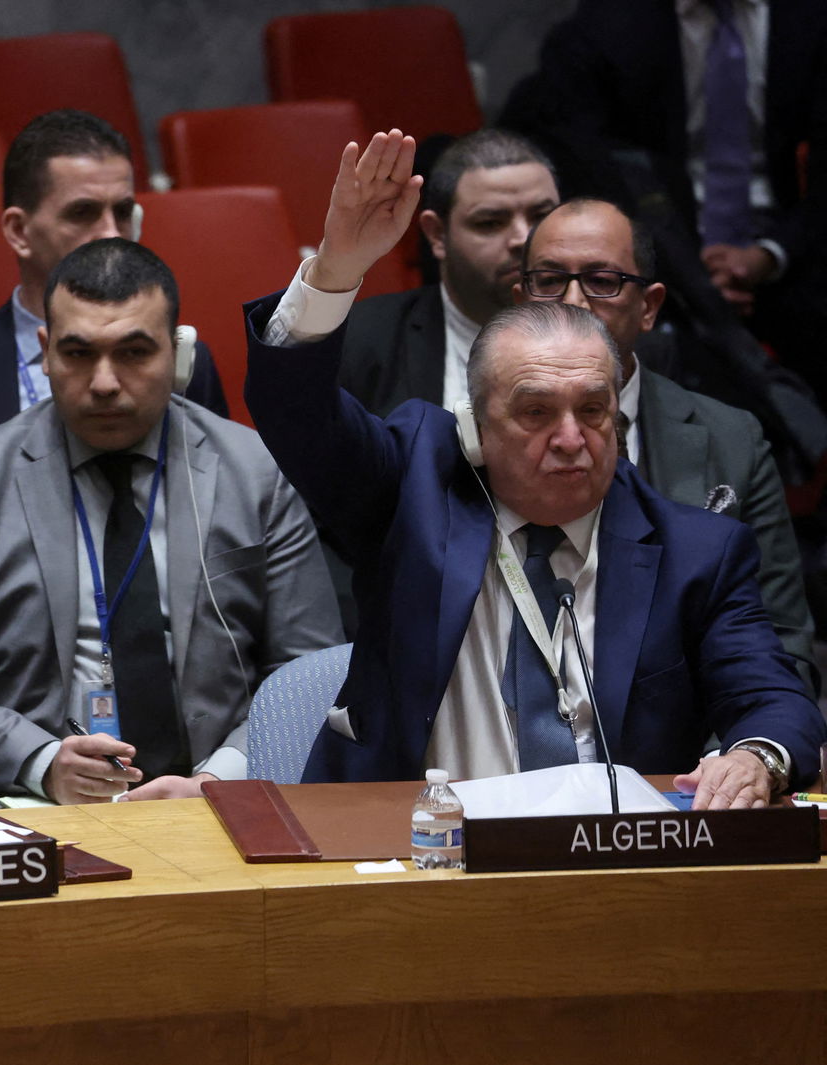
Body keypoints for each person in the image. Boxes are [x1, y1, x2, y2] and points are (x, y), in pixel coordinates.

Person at [244, 129, 824, 808]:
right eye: (536, 413)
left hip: (613, 862)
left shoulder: (697, 552)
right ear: (479, 427)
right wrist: (337, 267)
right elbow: (295, 412)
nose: (572, 438)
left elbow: (775, 696)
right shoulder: (414, 487)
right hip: (415, 850)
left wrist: (756, 756)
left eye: (594, 410)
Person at [0, 238, 342, 806]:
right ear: (45, 352)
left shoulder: (256, 473)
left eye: (133, 352)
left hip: (215, 796)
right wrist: (40, 761)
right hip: (26, 803)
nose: (103, 382)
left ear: (177, 354)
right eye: (77, 353)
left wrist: (220, 779)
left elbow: (311, 674)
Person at [0, 109, 230, 605]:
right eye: (83, 213)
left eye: (123, 212)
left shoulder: (182, 359)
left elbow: (222, 533)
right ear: (19, 231)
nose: (112, 235)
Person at [515, 198, 815, 687]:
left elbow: (781, 644)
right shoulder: (466, 436)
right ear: (521, 301)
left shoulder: (732, 439)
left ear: (649, 307)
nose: (572, 302)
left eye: (602, 281)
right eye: (549, 281)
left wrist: (738, 751)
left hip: (690, 747)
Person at [502, 0, 827, 399]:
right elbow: (570, 156)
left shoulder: (810, 21)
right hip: (660, 253)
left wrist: (770, 254)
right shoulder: (606, 27)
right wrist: (683, 271)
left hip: (791, 248)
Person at [339, 129, 559, 417]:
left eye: (542, 216)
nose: (523, 238)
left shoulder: (615, 328)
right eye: (491, 222)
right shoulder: (365, 341)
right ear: (438, 235)